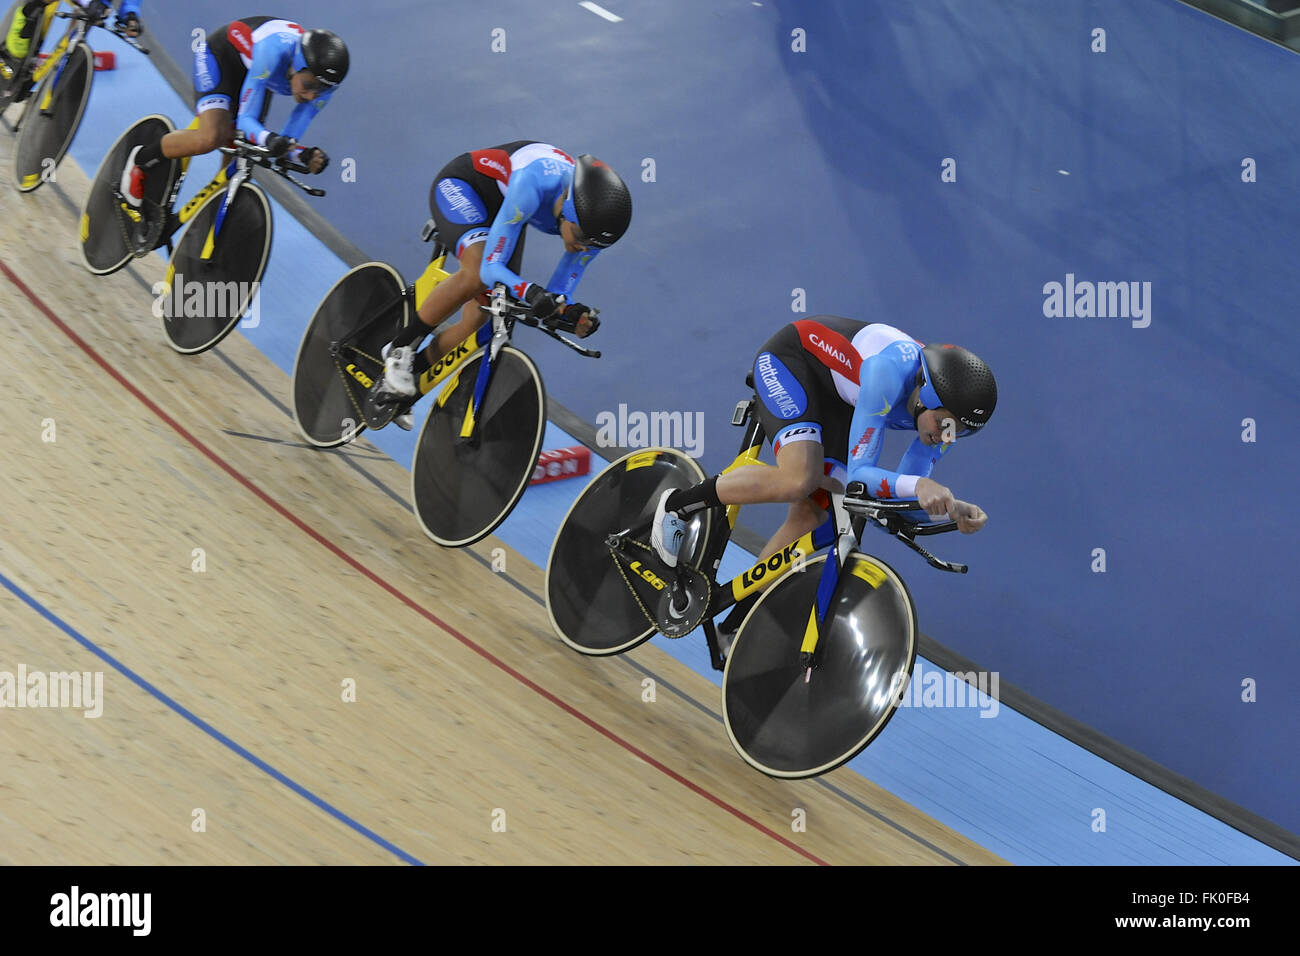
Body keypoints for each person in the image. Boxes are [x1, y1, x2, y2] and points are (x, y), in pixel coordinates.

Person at [651, 316, 997, 655]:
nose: (944, 434)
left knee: (813, 514)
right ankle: (677, 506)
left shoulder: (947, 421)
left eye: (957, 430)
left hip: (840, 397)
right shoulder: (887, 374)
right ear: (925, 396)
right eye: (942, 423)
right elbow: (866, 475)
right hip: (794, 360)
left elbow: (899, 490)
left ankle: (733, 627)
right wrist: (921, 486)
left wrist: (950, 510)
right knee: (799, 478)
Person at [370, 141, 632, 429]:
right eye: (580, 237)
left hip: (510, 212)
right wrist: (531, 292)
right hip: (465, 187)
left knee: (481, 322)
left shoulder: (591, 229)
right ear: (568, 206)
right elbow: (491, 268)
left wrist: (567, 314)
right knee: (476, 275)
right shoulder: (535, 183)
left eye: (593, 246)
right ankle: (399, 348)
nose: (583, 248)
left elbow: (556, 296)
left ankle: (408, 378)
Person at [119, 16, 347, 208]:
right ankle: (140, 161)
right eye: (307, 85)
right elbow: (247, 121)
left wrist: (300, 154)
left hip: (258, 77)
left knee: (239, 158)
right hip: (221, 57)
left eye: (321, 91)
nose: (311, 96)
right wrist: (271, 140)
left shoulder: (323, 85)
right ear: (296, 65)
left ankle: (210, 218)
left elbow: (286, 141)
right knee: (211, 137)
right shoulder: (272, 51)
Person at [1, 1, 143, 93]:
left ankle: (42, 85)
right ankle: (10, 58)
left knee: (75, 35)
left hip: (94, 4)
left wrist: (131, 16)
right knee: (32, 14)